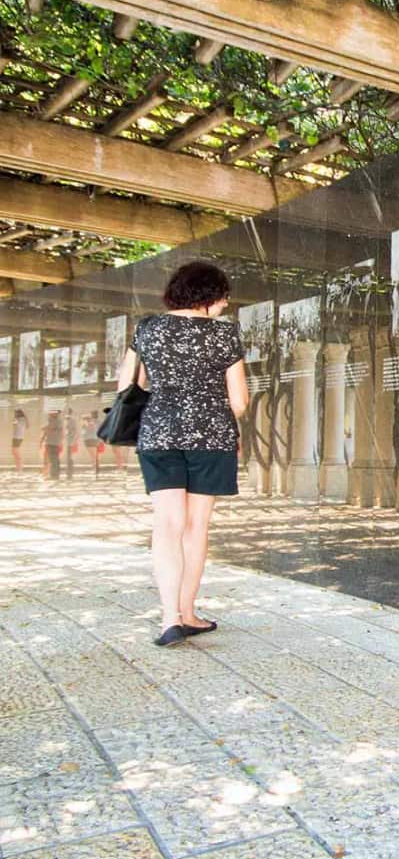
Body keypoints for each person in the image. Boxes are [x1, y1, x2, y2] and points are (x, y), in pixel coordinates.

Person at [117, 260, 249, 648]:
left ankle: (169, 618)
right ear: (209, 295)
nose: (225, 305)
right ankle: (189, 611)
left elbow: (127, 385)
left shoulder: (148, 328)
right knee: (196, 527)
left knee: (167, 525)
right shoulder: (225, 336)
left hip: (158, 435)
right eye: (223, 297)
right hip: (211, 438)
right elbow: (238, 400)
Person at [41, 411, 63, 481]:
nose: (50, 414)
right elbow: (46, 429)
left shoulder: (57, 421)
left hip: (53, 442)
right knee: (53, 459)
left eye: (52, 413)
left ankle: (54, 476)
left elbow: (55, 430)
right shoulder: (51, 420)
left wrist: (47, 429)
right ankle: (54, 475)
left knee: (54, 460)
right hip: (51, 442)